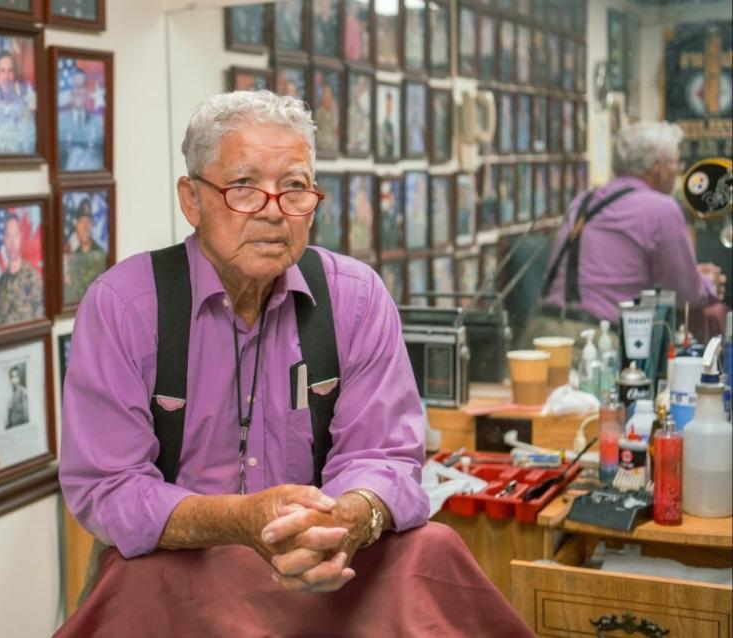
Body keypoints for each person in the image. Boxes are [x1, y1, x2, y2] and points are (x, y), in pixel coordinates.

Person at [58, 91, 532, 637]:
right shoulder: (126, 306)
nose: (273, 211)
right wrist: (239, 521)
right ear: (192, 200)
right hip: (181, 575)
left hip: (329, 569)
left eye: (294, 188)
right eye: (243, 187)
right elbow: (110, 486)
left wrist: (350, 517)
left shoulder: (355, 298)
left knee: (433, 549)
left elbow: (386, 453)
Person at [532, 121, 728, 344]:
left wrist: (692, 274)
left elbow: (611, 270)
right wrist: (709, 284)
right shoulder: (662, 208)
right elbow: (685, 294)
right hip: (595, 338)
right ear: (659, 166)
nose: (678, 171)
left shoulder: (584, 200)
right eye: (675, 163)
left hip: (542, 331)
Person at [0, 50, 37, 155]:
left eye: (10, 70)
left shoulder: (25, 110)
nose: (6, 76)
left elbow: (28, 148)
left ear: (15, 74)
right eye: (2, 71)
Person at [0, 214, 44, 325]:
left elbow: (40, 318)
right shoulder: (1, 282)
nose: (12, 243)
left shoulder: (33, 277)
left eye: (15, 236)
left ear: (21, 238)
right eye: (8, 236)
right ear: (4, 239)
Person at [58, 69, 104, 171]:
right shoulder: (60, 124)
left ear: (86, 91)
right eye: (75, 86)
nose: (78, 91)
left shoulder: (98, 123)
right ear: (71, 91)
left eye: (82, 86)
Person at [64, 199, 107, 305]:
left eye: (88, 222)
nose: (85, 227)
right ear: (76, 225)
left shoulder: (100, 255)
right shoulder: (72, 256)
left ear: (92, 224)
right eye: (81, 222)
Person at [379, 90, 396, 159]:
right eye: (386, 105)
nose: (388, 107)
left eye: (390, 104)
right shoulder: (382, 124)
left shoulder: (394, 124)